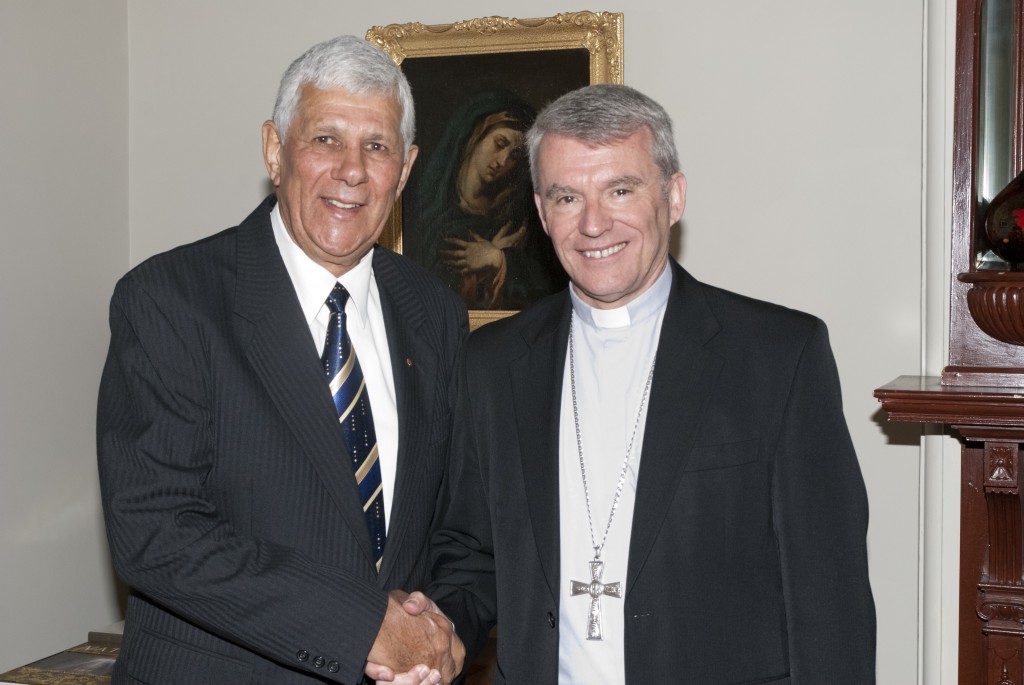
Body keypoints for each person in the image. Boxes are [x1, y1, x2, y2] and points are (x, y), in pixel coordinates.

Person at [417, 84, 877, 683]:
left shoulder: (777, 356)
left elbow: (828, 598)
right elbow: (473, 554)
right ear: (539, 210)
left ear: (674, 195)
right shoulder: (492, 362)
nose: (593, 223)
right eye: (566, 197)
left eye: (620, 190)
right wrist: (436, 632)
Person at [96, 35, 466, 685]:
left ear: (404, 171)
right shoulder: (172, 299)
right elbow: (156, 532)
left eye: (376, 146)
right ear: (275, 149)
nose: (351, 169)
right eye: (325, 139)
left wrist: (444, 634)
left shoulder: (434, 312)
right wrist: (363, 626)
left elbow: (456, 528)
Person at [407, 90, 566, 310]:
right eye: (500, 144)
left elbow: (550, 287)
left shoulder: (518, 219)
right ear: (476, 135)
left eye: (515, 156)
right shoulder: (428, 208)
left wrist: (499, 259)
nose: (502, 161)